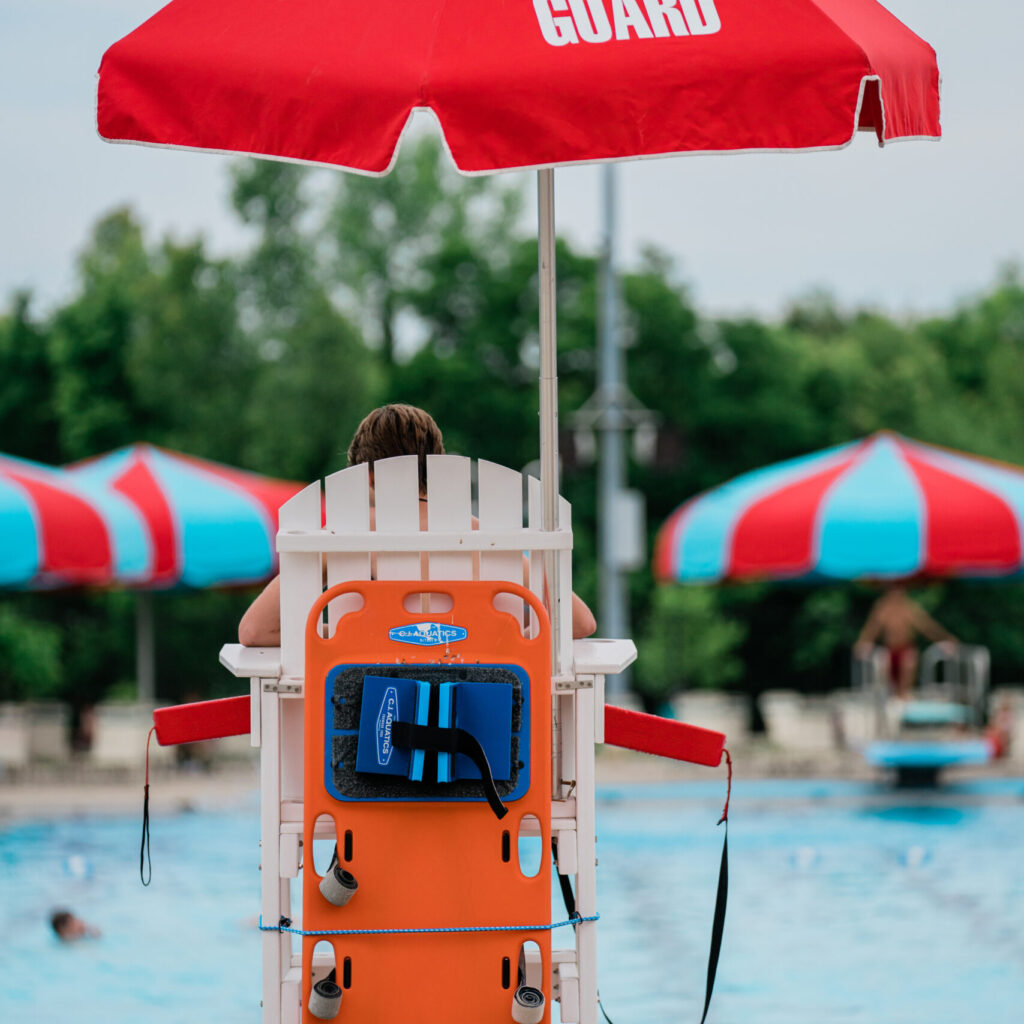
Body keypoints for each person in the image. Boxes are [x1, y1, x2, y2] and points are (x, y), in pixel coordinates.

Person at [239, 403, 596, 646]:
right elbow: (580, 624)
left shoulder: (341, 540)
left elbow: (255, 631)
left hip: (369, 720)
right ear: (439, 465)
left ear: (366, 477)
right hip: (472, 717)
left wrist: (351, 633)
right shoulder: (483, 538)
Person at [854, 585, 957, 698]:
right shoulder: (882, 607)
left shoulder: (909, 607)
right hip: (889, 650)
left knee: (910, 660)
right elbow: (872, 628)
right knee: (882, 664)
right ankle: (889, 698)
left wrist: (945, 638)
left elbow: (927, 627)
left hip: (906, 649)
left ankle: (904, 696)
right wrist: (863, 642)